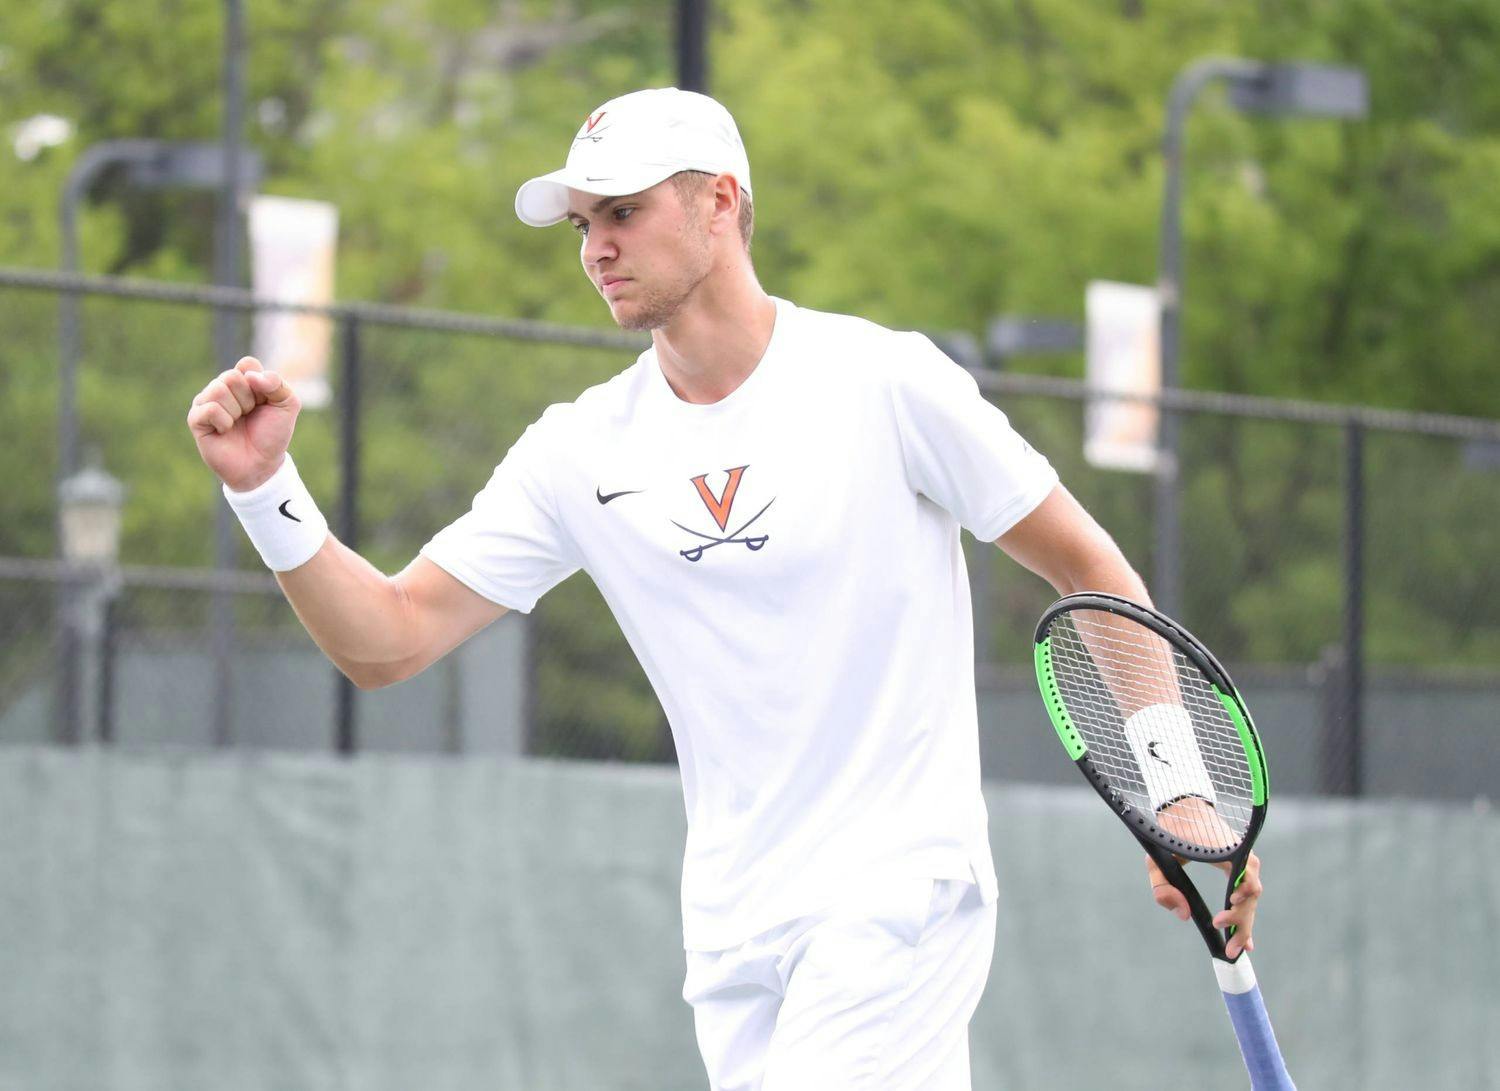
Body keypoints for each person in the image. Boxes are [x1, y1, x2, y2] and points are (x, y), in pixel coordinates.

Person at [187, 87, 1263, 1091]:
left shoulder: (884, 381)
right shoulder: (577, 450)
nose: (597, 245)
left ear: (720, 203)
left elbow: (1091, 569)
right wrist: (265, 489)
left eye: (623, 210)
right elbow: (388, 638)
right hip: (735, 928)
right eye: (581, 225)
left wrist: (1176, 789)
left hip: (898, 896)